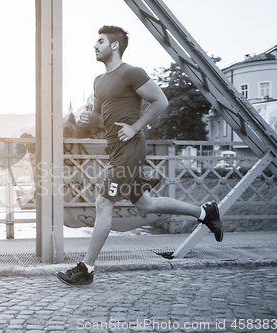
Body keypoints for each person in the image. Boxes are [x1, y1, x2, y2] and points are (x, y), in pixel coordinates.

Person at [55, 25, 223, 286]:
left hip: (131, 148)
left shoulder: (131, 73)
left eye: (100, 41)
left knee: (103, 203)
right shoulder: (98, 81)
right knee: (146, 205)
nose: (95, 45)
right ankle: (204, 212)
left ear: (114, 45)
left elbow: (161, 101)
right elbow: (99, 118)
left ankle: (86, 268)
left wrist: (135, 127)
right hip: (116, 149)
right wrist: (88, 117)